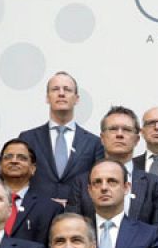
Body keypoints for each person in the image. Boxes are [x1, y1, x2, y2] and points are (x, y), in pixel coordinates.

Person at [75, 106, 158, 235]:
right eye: (113, 129)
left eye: (126, 130)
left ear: (137, 139)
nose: (119, 134)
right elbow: (72, 229)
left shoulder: (155, 185)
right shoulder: (81, 182)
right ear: (102, 138)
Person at [17, 72, 104, 207]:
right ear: (47, 98)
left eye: (67, 89)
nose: (61, 93)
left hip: (77, 216)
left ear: (77, 99)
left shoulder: (93, 143)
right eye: (55, 89)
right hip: (35, 214)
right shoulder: (28, 138)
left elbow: (97, 181)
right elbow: (19, 178)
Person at [0, 139, 64, 248]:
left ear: (33, 168)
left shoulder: (50, 209)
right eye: (8, 157)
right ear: (0, 166)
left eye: (21, 158)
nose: (14, 161)